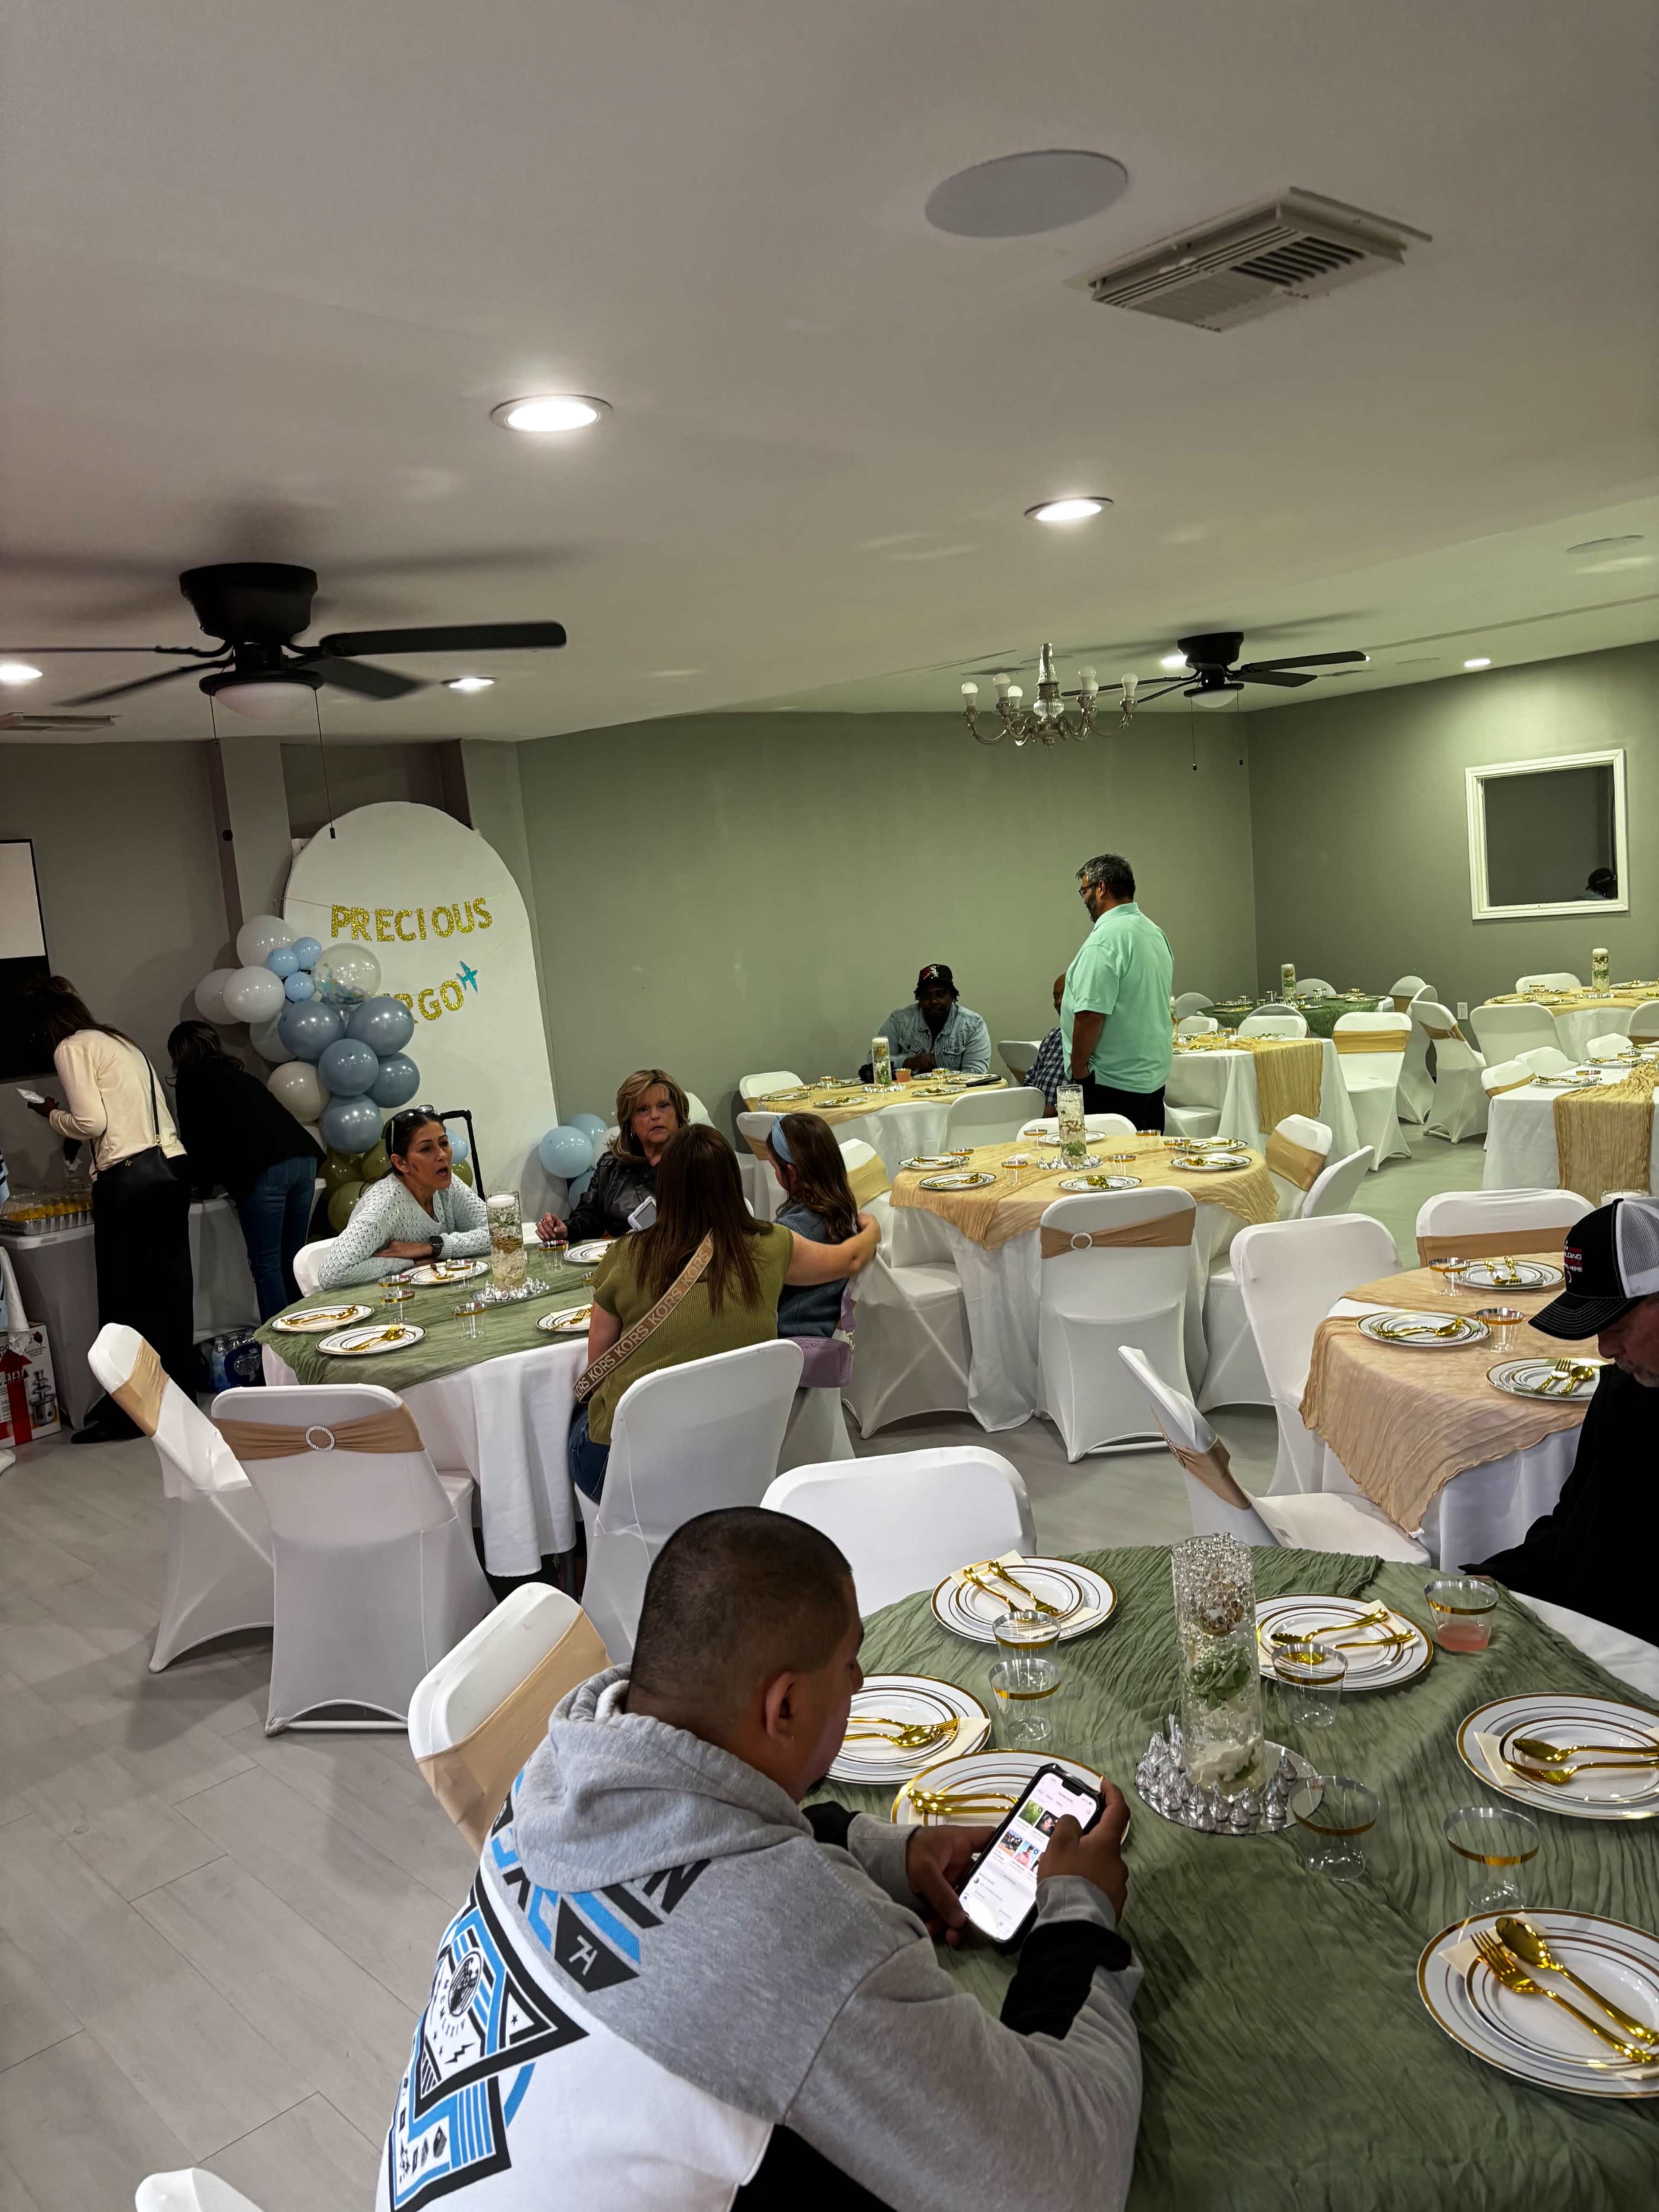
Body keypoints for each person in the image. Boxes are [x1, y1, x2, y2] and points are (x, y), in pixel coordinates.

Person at [381, 1507, 1141, 2210]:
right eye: (850, 1662)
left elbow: (700, 1841)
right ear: (783, 1707)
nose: (861, 1682)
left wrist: (882, 1849)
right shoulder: (800, 1935)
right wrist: (1080, 1911)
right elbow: (1066, 2175)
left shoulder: (561, 1767)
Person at [569, 1124, 877, 1503]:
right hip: (738, 1456)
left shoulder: (626, 1255)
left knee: (573, 1417)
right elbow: (851, 1258)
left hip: (633, 1474)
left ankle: (578, 1551)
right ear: (734, 1183)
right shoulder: (772, 1246)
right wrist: (873, 1228)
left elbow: (598, 1367)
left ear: (664, 1186)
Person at [1472, 1197, 1659, 1642]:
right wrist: (1493, 1583)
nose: (1604, 1351)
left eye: (1616, 1328)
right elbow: (1576, 1525)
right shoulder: (1623, 1389)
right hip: (1590, 1638)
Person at [23, 977, 194, 1442]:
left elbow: (91, 1122)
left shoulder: (72, 1047)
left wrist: (52, 1116)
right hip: (171, 1167)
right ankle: (177, 1396)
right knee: (171, 1291)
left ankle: (132, 1412)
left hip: (129, 1179)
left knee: (126, 1299)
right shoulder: (119, 1041)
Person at [167, 1022, 323, 1319]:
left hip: (267, 1168)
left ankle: (279, 1351)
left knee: (267, 1265)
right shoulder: (239, 1073)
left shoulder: (192, 1078)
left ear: (179, 1052)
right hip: (304, 1158)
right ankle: (304, 1334)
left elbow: (196, 1141)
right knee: (293, 1260)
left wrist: (198, 1184)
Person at [1062, 853, 1174, 1133]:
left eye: (1084, 891)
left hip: (1112, 1083)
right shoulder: (1154, 933)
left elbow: (1090, 1014)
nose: (1084, 900)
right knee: (1148, 1169)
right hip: (1152, 1077)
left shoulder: (1104, 941)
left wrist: (1079, 1070)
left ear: (1101, 888)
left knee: (1113, 1171)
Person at [317, 1108, 489, 1289]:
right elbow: (333, 1273)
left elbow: (499, 1233)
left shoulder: (448, 1185)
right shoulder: (384, 1204)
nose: (441, 1155)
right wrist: (408, 1263)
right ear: (401, 1163)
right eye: (426, 1149)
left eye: (444, 1143)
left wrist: (432, 1247)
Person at [537, 1068, 689, 1246]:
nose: (655, 1116)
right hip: (624, 1264)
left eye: (664, 1106)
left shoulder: (702, 1160)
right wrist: (566, 1229)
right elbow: (589, 1217)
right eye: (643, 1110)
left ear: (679, 1113)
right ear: (630, 1123)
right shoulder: (611, 1166)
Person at [766, 1112, 861, 1344]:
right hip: (816, 1335)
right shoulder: (842, 1211)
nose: (775, 1174)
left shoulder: (794, 1231)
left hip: (788, 1344)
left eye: (775, 1168)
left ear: (792, 1173)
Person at [869, 964, 991, 1077]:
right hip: (908, 1098)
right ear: (919, 999)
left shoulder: (973, 1026)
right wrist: (908, 1062)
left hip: (955, 1098)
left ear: (952, 996)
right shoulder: (899, 1021)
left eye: (940, 994)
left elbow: (975, 1077)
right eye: (927, 996)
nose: (934, 1001)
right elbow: (873, 1062)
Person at [1026, 974, 1068, 1115]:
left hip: (1064, 1120)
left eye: (1065, 994)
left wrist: (1053, 1110)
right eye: (1056, 997)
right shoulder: (1053, 1036)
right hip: (1034, 1117)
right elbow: (1030, 1080)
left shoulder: (1095, 1042)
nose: (1059, 1002)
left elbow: (1088, 1095)